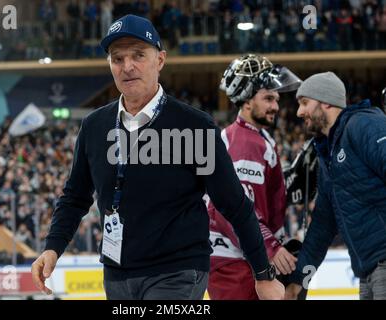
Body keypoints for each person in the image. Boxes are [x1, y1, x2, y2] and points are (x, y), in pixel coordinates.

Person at [32, 14, 284, 300]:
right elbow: (75, 197)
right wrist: (52, 248)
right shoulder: (94, 126)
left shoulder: (195, 126)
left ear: (160, 60)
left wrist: (263, 274)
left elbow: (235, 205)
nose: (127, 66)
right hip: (117, 275)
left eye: (139, 55)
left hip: (179, 271)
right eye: (117, 58)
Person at [208, 54, 302, 299]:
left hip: (236, 260)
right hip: (238, 263)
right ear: (247, 102)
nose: (276, 106)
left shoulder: (248, 137)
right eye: (268, 98)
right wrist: (271, 247)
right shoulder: (246, 143)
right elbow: (234, 209)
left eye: (277, 99)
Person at [285, 72, 386, 300]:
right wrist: (299, 282)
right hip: (368, 271)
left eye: (304, 103)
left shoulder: (364, 124)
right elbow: (322, 225)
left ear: (326, 102)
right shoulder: (328, 154)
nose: (300, 112)